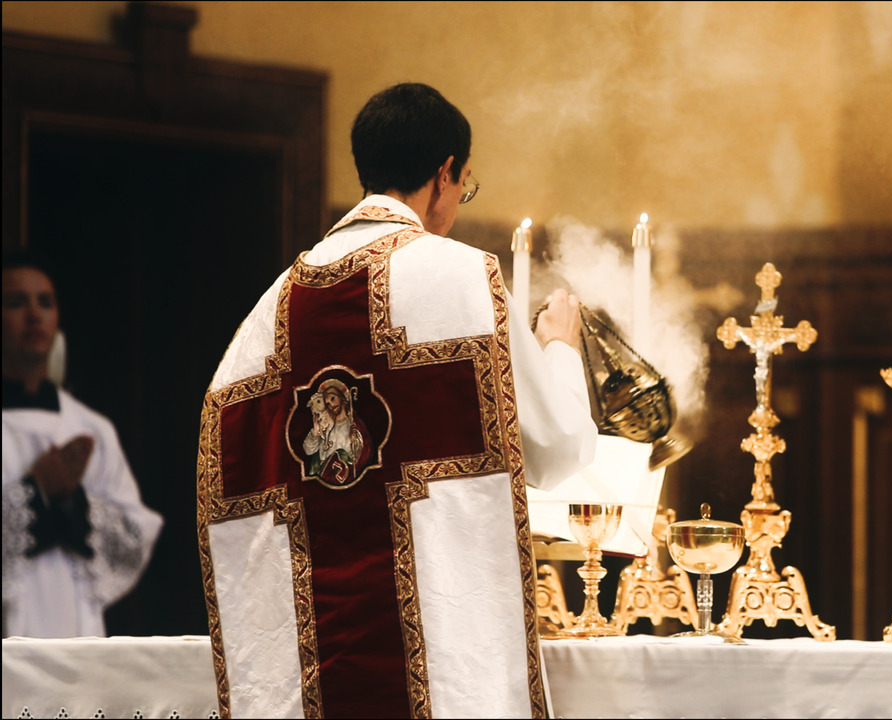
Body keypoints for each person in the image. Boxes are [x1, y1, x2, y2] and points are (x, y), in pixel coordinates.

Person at [198, 83, 597, 719]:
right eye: (465, 187)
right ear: (444, 173)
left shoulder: (265, 317)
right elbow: (554, 451)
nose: (458, 206)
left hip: (318, 681)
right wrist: (558, 348)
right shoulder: (464, 280)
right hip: (441, 686)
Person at [1, 252, 163, 638]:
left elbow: (135, 534)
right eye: (16, 302)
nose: (34, 315)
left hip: (76, 627)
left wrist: (74, 504)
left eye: (45, 302)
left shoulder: (91, 428)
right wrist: (35, 492)